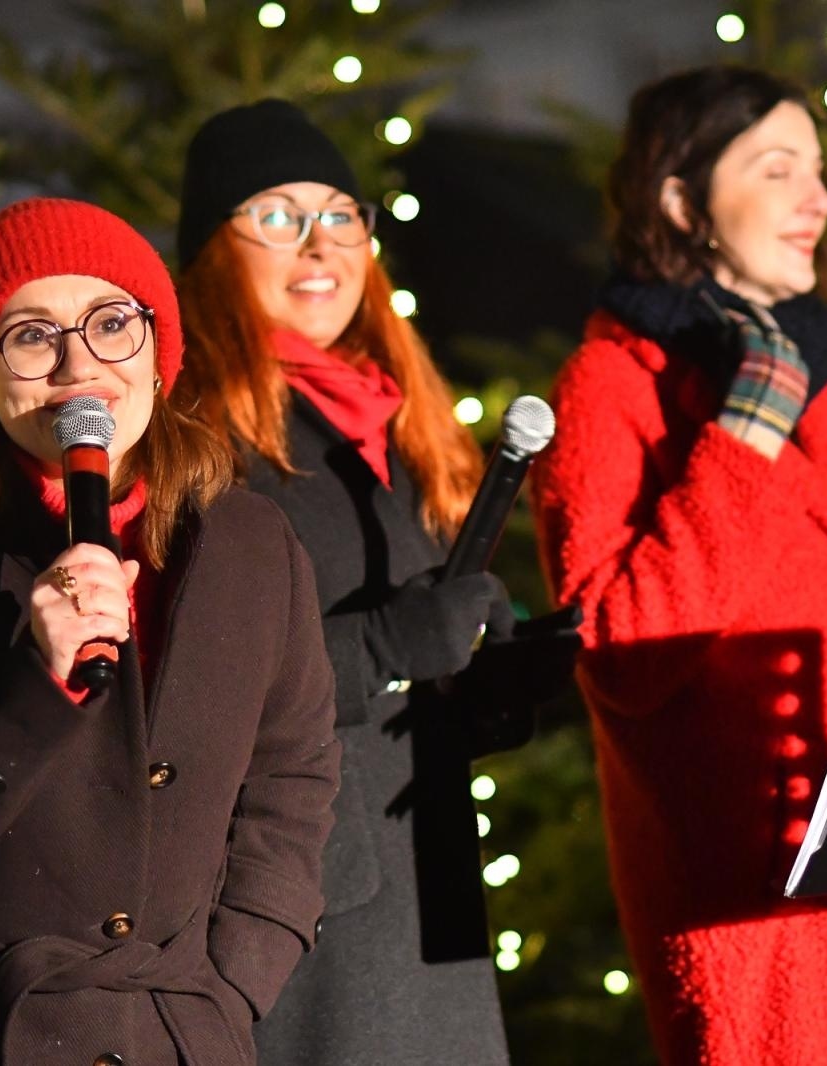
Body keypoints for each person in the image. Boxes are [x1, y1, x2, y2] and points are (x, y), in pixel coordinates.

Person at [0, 197, 340, 1066]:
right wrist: (28, 687)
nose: (79, 364)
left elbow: (291, 780)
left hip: (175, 1030)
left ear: (160, 355)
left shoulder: (251, 547)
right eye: (32, 335)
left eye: (111, 322)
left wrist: (236, 981)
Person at [530, 67, 827, 1065]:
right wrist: (743, 432)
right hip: (751, 915)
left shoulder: (825, 399)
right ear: (679, 199)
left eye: (818, 173)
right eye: (777, 169)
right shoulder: (609, 386)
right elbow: (619, 655)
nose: (817, 201)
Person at [174, 99, 574, 1065]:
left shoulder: (390, 423)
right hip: (307, 917)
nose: (320, 243)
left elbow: (417, 654)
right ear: (212, 251)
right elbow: (190, 685)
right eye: (276, 215)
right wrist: (389, 646)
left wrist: (488, 678)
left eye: (342, 215)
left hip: (429, 890)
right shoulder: (197, 445)